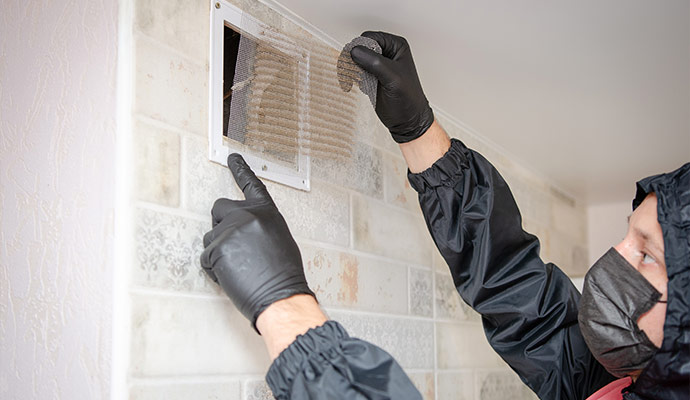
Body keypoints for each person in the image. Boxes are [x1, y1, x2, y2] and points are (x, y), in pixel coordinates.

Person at [200, 31, 689, 399]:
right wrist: (419, 132)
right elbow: (519, 293)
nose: (617, 255)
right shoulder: (624, 381)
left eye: (647, 255)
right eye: (629, 235)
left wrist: (284, 308)